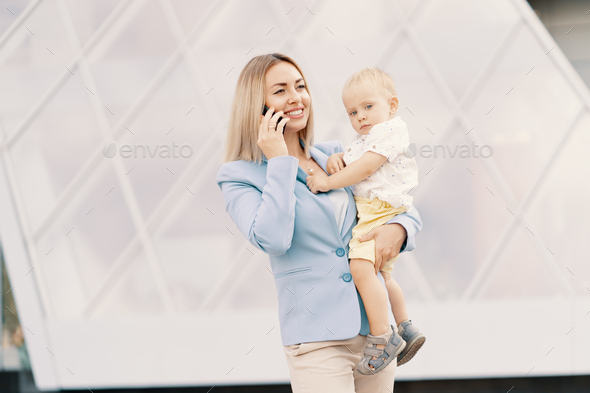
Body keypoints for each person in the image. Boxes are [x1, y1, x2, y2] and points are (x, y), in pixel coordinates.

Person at [216, 53, 422, 393]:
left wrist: (398, 229)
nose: (296, 97)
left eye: (300, 86)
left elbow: (396, 198)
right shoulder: (239, 176)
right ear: (258, 106)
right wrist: (279, 161)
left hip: (376, 334)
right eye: (280, 91)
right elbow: (273, 238)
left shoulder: (339, 154)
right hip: (317, 340)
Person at [305, 67, 426, 375]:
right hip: (380, 210)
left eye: (368, 107)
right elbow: (351, 162)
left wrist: (328, 181)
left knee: (359, 267)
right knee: (383, 277)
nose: (360, 116)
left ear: (392, 106)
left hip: (378, 210)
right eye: (352, 112)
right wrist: (336, 162)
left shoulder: (389, 132)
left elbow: (364, 168)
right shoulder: (366, 137)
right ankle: (405, 326)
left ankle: (382, 336)